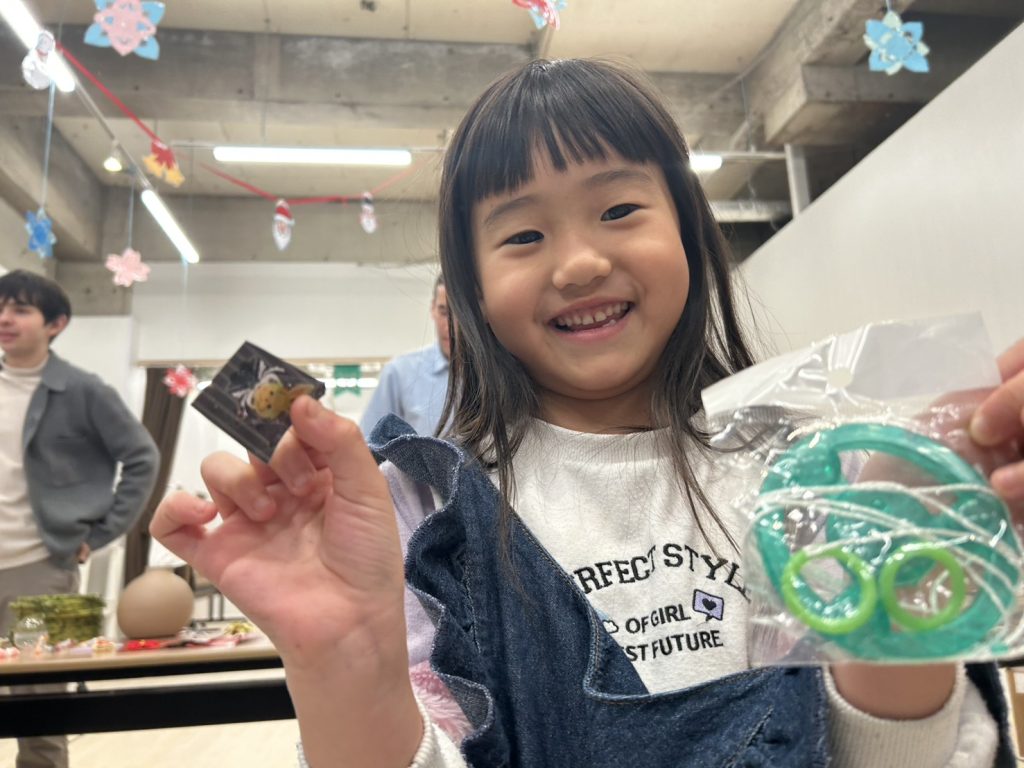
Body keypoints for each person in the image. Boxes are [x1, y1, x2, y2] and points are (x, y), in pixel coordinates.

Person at [151, 59, 1024, 768]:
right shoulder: (424, 516)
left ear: (689, 233)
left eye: (619, 210)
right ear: (470, 294)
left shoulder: (808, 469)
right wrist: (346, 665)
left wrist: (902, 576)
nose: (578, 263)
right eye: (523, 236)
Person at [0, 270, 159, 768]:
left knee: (40, 706)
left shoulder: (83, 390)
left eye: (21, 309)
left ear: (56, 324)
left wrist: (101, 533)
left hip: (41, 571)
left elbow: (142, 458)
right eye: (0, 307)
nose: (5, 318)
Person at [359, 275, 452, 437]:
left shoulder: (493, 373)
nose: (450, 326)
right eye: (444, 312)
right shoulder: (400, 373)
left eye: (461, 315)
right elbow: (369, 443)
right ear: (432, 309)